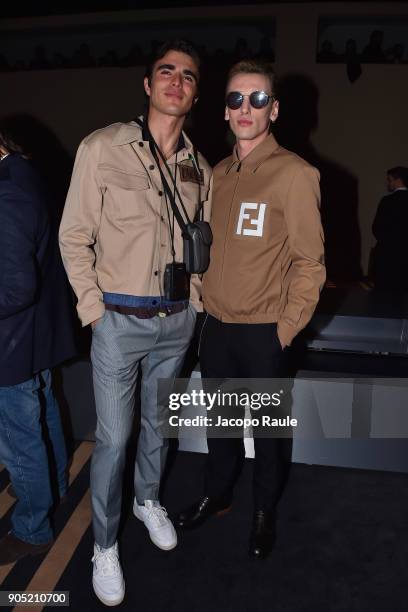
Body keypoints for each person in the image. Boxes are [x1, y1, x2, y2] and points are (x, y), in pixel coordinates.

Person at [59, 40, 211, 606]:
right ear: (148, 85)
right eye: (166, 72)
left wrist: (194, 304)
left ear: (195, 93)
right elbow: (74, 235)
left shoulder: (198, 165)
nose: (176, 81)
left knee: (158, 427)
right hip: (118, 321)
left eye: (188, 75)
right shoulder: (102, 148)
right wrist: (94, 311)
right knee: (115, 438)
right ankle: (104, 543)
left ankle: (148, 500)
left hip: (176, 322)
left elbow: (202, 246)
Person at [176, 59, 325, 559]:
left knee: (267, 437)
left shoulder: (296, 174)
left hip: (264, 333)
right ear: (224, 109)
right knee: (218, 427)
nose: (246, 108)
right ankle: (216, 495)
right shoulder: (217, 174)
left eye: (258, 98)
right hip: (216, 329)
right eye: (237, 98)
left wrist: (282, 331)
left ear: (274, 109)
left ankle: (264, 511)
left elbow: (310, 263)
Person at [0, 126, 77, 565]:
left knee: (19, 438)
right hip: (33, 335)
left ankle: (33, 529)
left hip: (10, 343)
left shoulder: (8, 194)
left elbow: (13, 289)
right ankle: (53, 483)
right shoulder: (24, 174)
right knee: (43, 410)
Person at [372, 166, 408, 292]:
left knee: (385, 295)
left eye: (389, 180)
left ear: (398, 180)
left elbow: (377, 228)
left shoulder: (387, 201)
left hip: (388, 255)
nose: (388, 183)